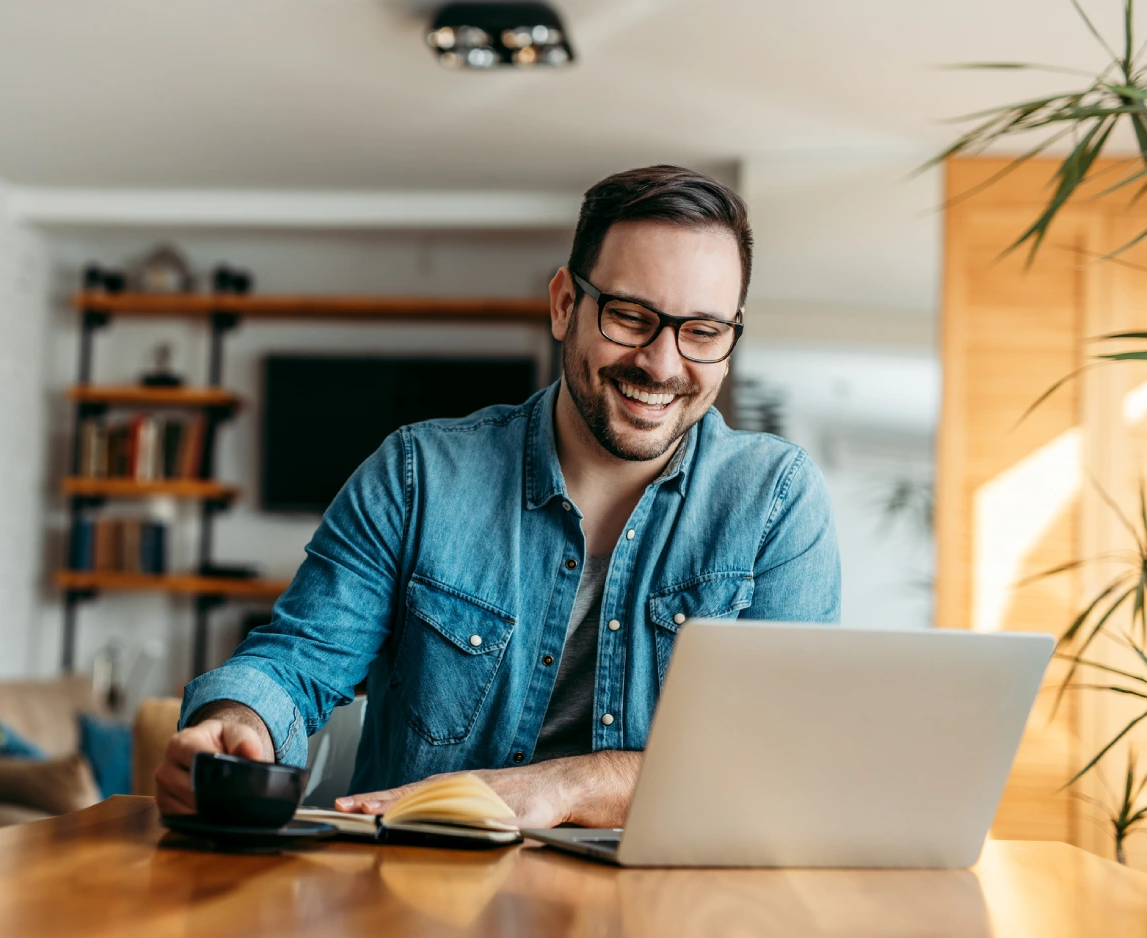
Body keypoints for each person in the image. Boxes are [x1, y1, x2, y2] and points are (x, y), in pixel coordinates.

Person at [155, 165, 840, 828]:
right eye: (631, 317)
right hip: (419, 893)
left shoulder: (775, 500)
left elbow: (781, 760)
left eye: (702, 331)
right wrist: (234, 726)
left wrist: (567, 785)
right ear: (565, 303)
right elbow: (298, 661)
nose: (662, 365)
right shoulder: (418, 472)